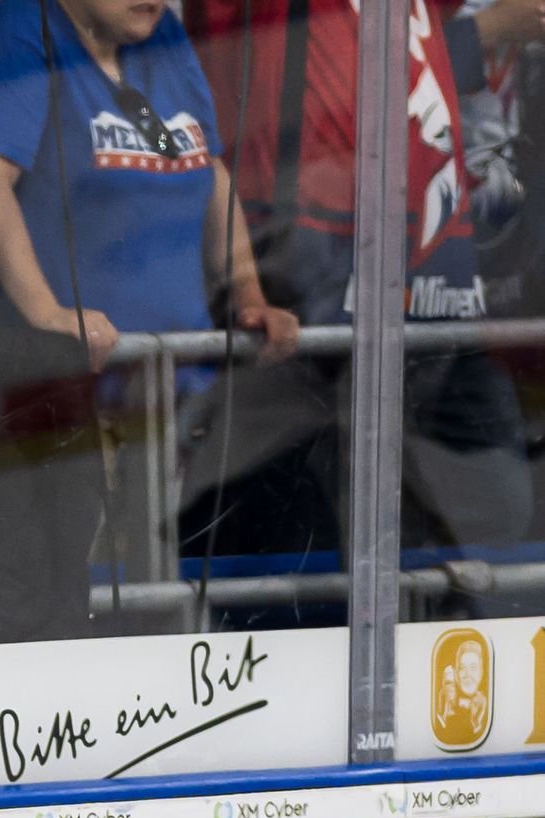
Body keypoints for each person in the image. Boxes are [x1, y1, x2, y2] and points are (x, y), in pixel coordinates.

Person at [0, 0, 297, 643]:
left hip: (168, 400)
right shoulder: (13, 36)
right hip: (45, 409)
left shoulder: (161, 34)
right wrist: (46, 314)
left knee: (164, 618)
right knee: (65, 623)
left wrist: (246, 289)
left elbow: (207, 170)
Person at [183, 0, 528, 597]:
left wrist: (481, 33)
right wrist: (491, 30)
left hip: (433, 288)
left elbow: (422, 53)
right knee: (296, 541)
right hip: (310, 275)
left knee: (495, 509)